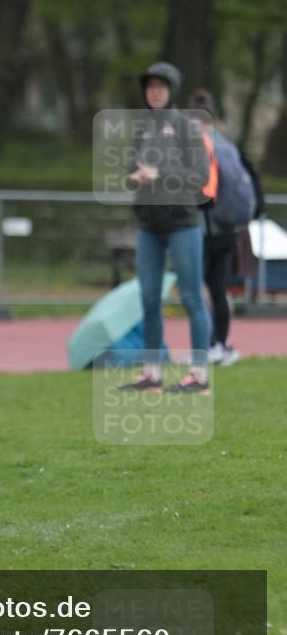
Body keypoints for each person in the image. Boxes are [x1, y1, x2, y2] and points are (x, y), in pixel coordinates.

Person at [120, 62, 212, 393]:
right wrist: (134, 177)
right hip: (149, 225)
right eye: (150, 86)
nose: (155, 91)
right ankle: (151, 374)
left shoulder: (187, 128)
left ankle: (199, 376)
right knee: (148, 298)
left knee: (191, 298)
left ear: (172, 90)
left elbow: (200, 177)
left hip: (182, 224)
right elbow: (132, 170)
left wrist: (161, 174)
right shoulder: (142, 129)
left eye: (161, 86)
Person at [187, 89, 257, 366]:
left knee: (199, 288)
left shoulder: (197, 146)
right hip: (229, 228)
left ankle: (208, 344)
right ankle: (221, 344)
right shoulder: (228, 146)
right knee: (219, 287)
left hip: (203, 229)